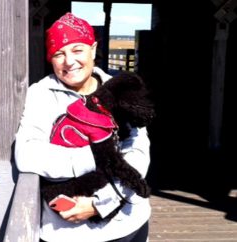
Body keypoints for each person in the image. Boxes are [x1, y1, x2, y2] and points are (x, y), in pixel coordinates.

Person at [14, 12, 151, 242]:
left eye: (77, 50)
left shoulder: (118, 89)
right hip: (69, 233)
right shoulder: (41, 94)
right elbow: (28, 155)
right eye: (59, 54)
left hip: (128, 223)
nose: (69, 61)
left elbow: (138, 150)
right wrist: (101, 156)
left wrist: (101, 203)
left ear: (93, 48)